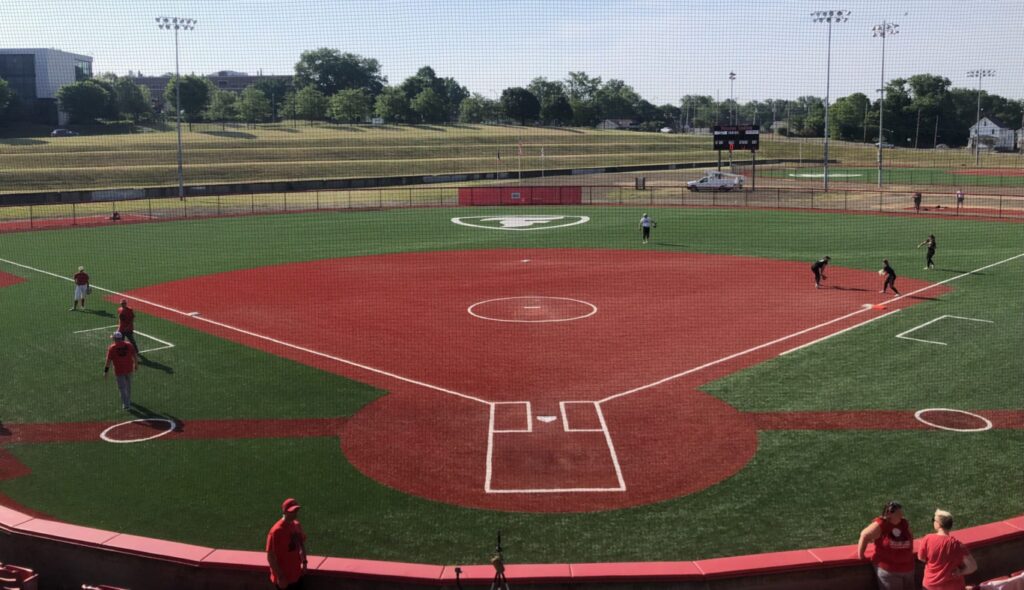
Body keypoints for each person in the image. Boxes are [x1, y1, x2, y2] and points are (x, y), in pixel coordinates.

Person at [857, 500, 915, 590]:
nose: (901, 514)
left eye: (901, 511)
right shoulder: (882, 524)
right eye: (898, 512)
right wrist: (861, 555)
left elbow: (911, 536)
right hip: (889, 572)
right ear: (889, 513)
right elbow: (864, 535)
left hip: (908, 568)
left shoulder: (904, 523)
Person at [917, 509, 977, 590]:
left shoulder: (927, 539)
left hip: (931, 586)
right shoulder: (957, 545)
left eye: (933, 520)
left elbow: (921, 558)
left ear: (939, 524)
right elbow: (973, 566)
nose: (933, 522)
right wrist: (960, 572)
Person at [267, 498, 308, 589]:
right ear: (285, 512)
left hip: (297, 574)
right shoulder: (276, 531)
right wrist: (280, 577)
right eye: (292, 511)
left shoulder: (296, 525)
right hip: (284, 579)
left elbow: (301, 545)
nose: (295, 513)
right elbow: (270, 557)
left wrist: (304, 562)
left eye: (296, 510)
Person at [104, 331, 138, 411]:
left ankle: (126, 404)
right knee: (128, 386)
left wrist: (106, 371)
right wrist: (136, 365)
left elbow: (108, 361)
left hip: (119, 371)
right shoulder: (129, 345)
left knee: (122, 388)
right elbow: (135, 356)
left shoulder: (112, 348)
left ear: (115, 339)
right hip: (129, 369)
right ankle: (128, 400)